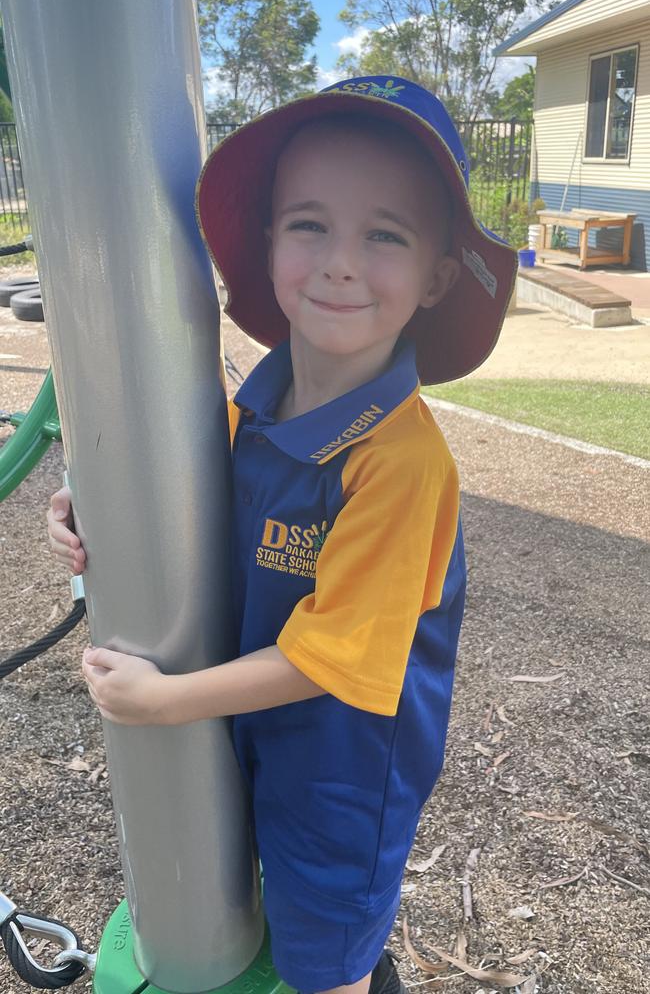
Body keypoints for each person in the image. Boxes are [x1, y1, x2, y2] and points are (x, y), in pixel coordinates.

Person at [47, 75, 517, 994]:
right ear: (267, 245)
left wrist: (164, 701)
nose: (341, 261)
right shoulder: (245, 409)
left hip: (341, 770)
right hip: (248, 724)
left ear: (437, 275)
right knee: (244, 889)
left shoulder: (401, 460)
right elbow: (184, 512)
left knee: (324, 958)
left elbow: (332, 660)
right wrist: (89, 512)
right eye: (309, 224)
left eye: (384, 235)